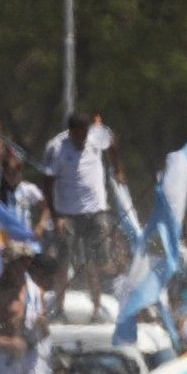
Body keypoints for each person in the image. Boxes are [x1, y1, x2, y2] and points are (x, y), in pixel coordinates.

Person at [40, 112, 121, 319]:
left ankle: (97, 307)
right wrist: (56, 216)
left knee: (96, 259)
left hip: (95, 210)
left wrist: (117, 168)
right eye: (77, 136)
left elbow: (112, 143)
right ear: (70, 132)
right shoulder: (56, 147)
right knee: (63, 261)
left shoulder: (95, 137)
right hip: (67, 213)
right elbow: (47, 183)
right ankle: (59, 307)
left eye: (84, 135)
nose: (81, 140)